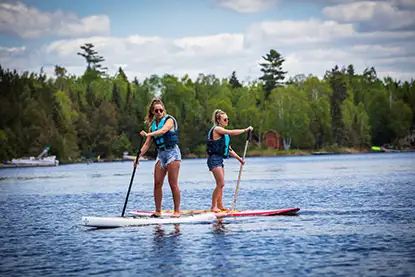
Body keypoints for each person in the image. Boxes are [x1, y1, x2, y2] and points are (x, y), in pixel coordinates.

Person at [135, 98, 181, 218]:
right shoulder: (152, 126)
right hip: (161, 155)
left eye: (161, 110)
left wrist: (148, 134)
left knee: (173, 183)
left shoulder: (169, 120)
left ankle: (176, 211)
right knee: (157, 183)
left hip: (173, 154)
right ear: (152, 112)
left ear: (164, 110)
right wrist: (138, 157)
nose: (159, 112)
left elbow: (164, 130)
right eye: (156, 111)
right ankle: (158, 211)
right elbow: (146, 145)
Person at [206, 109, 253, 213]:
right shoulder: (217, 129)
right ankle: (213, 206)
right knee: (220, 183)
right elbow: (231, 132)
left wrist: (239, 159)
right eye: (225, 119)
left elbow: (229, 150)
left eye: (227, 119)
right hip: (213, 159)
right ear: (218, 120)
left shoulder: (223, 135)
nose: (227, 121)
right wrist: (245, 130)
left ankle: (220, 205)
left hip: (219, 159)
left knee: (221, 185)